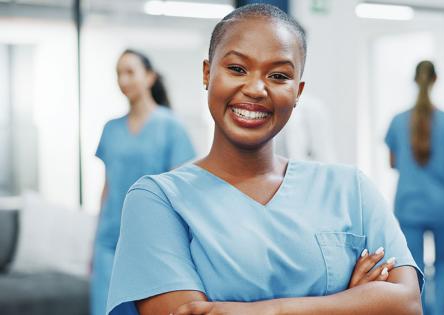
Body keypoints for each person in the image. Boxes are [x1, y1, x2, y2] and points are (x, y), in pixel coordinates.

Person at [107, 4, 423, 315]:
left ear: (298, 91)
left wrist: (266, 310)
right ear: (207, 73)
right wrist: (351, 302)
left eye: (278, 75)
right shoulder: (158, 200)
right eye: (237, 69)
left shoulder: (350, 189)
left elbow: (407, 304)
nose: (256, 89)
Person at [91, 49, 196, 315]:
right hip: (109, 240)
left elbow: (181, 191)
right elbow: (108, 186)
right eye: (118, 73)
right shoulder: (110, 128)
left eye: (130, 72)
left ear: (149, 77)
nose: (123, 80)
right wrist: (92, 242)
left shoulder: (171, 126)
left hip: (152, 241)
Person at [385, 61, 444, 315]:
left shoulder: (398, 122)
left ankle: (422, 310)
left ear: (415, 81)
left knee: (414, 267)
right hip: (441, 206)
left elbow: (393, 163)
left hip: (409, 205)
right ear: (435, 80)